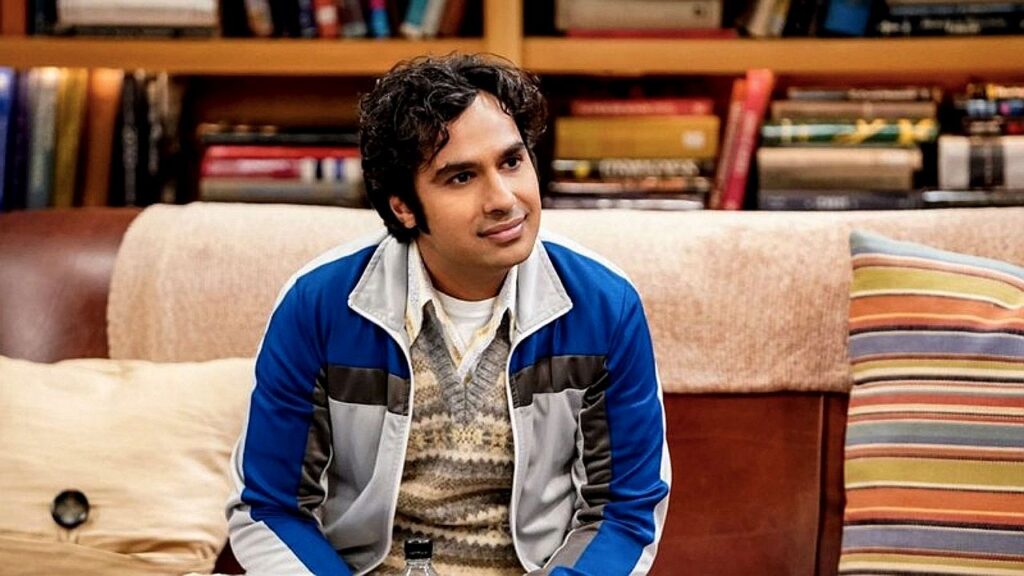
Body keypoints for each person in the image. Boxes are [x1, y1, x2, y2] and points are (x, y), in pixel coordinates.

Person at [226, 53, 670, 575]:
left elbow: (624, 513)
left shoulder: (605, 306)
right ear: (403, 207)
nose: (503, 199)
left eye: (511, 162)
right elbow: (270, 508)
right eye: (461, 177)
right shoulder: (318, 306)